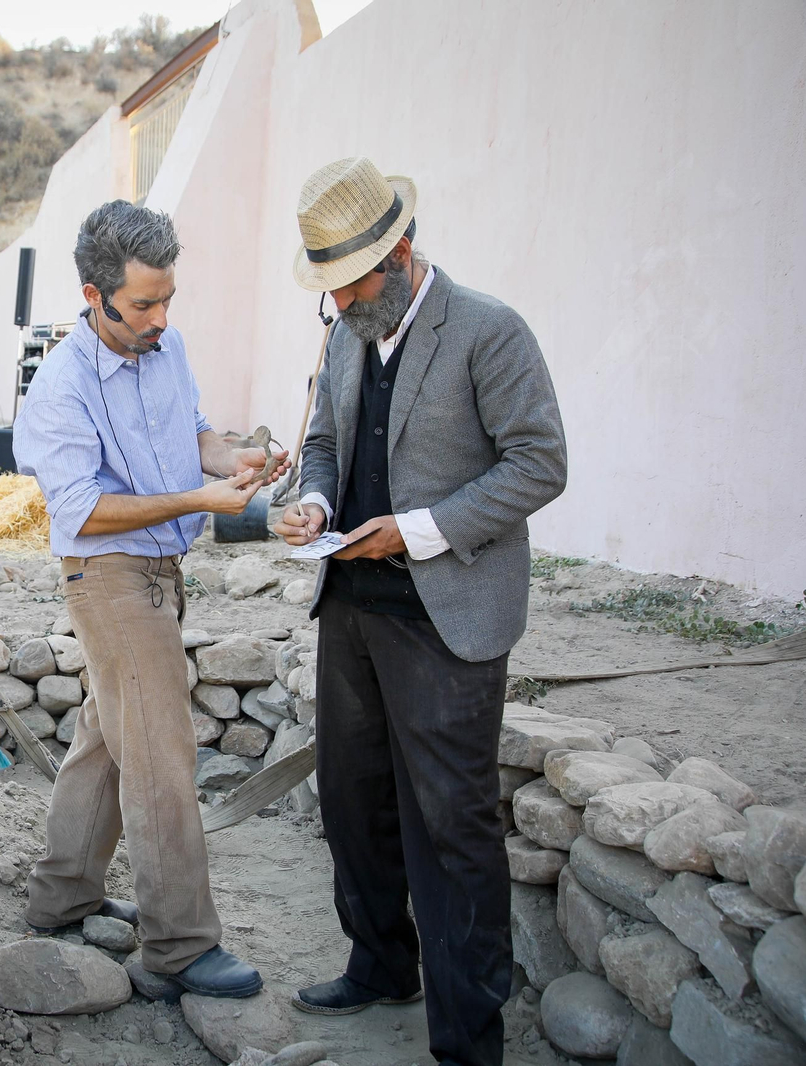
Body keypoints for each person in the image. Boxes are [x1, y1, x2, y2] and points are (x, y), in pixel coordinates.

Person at [271, 158, 567, 1066]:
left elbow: (539, 464)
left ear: (399, 252)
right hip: (351, 607)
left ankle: (470, 1036)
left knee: (452, 826)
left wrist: (418, 531)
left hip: (448, 620)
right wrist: (314, 503)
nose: (339, 303)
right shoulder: (351, 331)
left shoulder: (490, 331)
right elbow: (321, 442)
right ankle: (380, 966)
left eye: (350, 282)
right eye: (328, 289)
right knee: (355, 806)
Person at [13, 200, 286, 998]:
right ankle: (179, 947)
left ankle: (60, 898)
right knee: (162, 752)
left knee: (109, 731)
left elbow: (192, 434)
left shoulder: (166, 348)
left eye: (168, 299)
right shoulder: (59, 389)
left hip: (162, 570)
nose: (161, 318)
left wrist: (237, 455)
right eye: (143, 305)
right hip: (107, 576)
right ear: (94, 296)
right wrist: (198, 498)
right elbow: (84, 511)